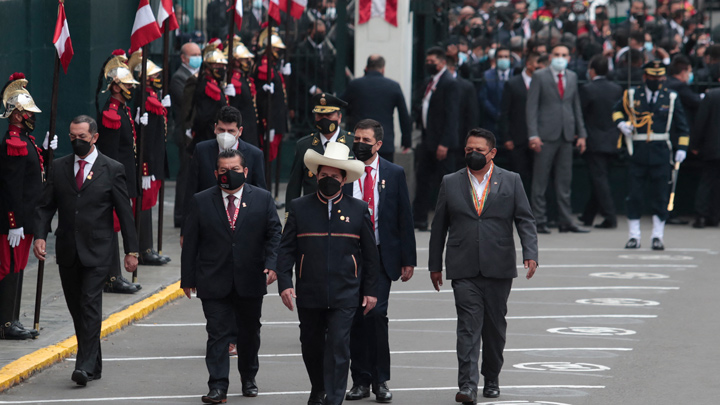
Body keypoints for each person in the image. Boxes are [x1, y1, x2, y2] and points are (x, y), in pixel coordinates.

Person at [428, 128, 538, 404]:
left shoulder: (511, 181)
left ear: (492, 153)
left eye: (478, 150)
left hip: (498, 266)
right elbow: (438, 227)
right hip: (462, 266)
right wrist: (434, 266)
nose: (472, 154)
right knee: (468, 326)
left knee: (494, 328)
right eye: (468, 150)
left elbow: (525, 219)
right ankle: (467, 385)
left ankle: (492, 376)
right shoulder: (450, 182)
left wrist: (530, 252)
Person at [33, 115, 139, 386]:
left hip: (99, 250)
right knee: (76, 309)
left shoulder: (112, 168)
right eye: (73, 137)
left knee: (90, 304)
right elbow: (46, 206)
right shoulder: (58, 167)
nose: (77, 141)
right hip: (68, 249)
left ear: (94, 137)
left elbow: (125, 213)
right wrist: (40, 236)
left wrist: (132, 251)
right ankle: (95, 364)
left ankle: (83, 366)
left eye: (82, 137)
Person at [277, 142, 380, 405]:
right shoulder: (299, 207)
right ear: (316, 176)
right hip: (309, 291)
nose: (329, 180)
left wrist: (370, 290)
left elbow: (370, 255)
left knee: (338, 345)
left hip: (346, 292)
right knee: (311, 344)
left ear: (344, 179)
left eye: (334, 176)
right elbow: (286, 249)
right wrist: (285, 283)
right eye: (324, 176)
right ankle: (319, 387)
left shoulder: (358, 209)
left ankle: (333, 398)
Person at [181, 148, 281, 404]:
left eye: (235, 170)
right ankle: (218, 387)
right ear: (216, 173)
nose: (229, 174)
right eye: (223, 170)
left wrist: (272, 264)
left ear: (246, 172)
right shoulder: (201, 200)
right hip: (213, 279)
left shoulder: (262, 198)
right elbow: (191, 242)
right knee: (217, 333)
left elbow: (274, 234)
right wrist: (187, 279)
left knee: (249, 333)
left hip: (250, 278)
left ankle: (248, 377)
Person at [343, 120, 416, 403]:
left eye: (365, 139)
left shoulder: (394, 173)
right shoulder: (345, 171)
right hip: (349, 257)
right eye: (356, 138)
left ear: (378, 145)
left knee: (375, 315)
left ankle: (380, 380)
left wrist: (408, 258)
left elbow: (403, 218)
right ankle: (359, 380)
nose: (359, 143)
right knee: (354, 318)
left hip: (381, 256)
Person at [0, 72, 55, 340]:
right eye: (28, 112)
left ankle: (13, 318)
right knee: (9, 268)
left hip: (24, 219)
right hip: (15, 222)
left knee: (18, 268)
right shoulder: (14, 142)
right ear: (17, 114)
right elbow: (11, 187)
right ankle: (6, 323)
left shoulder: (25, 141)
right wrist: (14, 223)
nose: (32, 116)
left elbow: (33, 172)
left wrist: (44, 149)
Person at [614, 60, 690, 250]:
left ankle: (657, 236)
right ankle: (634, 236)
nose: (656, 80)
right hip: (637, 151)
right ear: (645, 76)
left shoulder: (670, 97)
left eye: (660, 77)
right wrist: (622, 124)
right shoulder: (632, 95)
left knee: (660, 196)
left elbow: (683, 127)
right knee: (634, 196)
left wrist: (681, 148)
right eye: (653, 76)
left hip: (661, 152)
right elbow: (616, 111)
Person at [94, 50, 144, 293]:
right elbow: (111, 154)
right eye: (126, 85)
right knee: (114, 225)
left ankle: (115, 275)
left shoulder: (122, 110)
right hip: (116, 179)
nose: (130, 88)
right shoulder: (111, 114)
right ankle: (112, 276)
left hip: (126, 176)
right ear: (115, 87)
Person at [526, 43, 589, 234]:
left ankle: (565, 220)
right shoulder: (539, 76)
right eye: (557, 54)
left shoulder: (572, 76)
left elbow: (575, 106)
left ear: (569, 58)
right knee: (540, 181)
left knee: (564, 181)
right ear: (550, 56)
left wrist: (582, 134)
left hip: (567, 134)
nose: (560, 57)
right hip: (545, 135)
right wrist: (533, 134)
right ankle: (539, 220)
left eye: (564, 54)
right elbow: (531, 107)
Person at [184, 106, 265, 226]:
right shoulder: (202, 150)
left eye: (231, 131)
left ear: (240, 131)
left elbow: (260, 193)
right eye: (222, 130)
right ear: (215, 128)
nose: (225, 135)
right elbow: (191, 190)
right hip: (207, 221)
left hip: (243, 223)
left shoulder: (254, 154)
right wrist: (185, 230)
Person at [127, 50, 172, 266]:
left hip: (154, 161)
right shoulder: (141, 96)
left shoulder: (152, 96)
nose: (156, 78)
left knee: (148, 207)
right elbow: (140, 137)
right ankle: (143, 249)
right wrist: (144, 168)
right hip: (146, 164)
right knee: (142, 208)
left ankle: (148, 247)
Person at [412, 47, 459, 230]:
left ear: (442, 63)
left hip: (441, 143)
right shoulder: (429, 82)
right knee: (422, 179)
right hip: (427, 139)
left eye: (433, 62)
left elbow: (452, 115)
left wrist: (445, 143)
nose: (429, 65)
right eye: (428, 61)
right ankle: (419, 219)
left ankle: (449, 220)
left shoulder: (449, 83)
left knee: (446, 183)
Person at [285, 93, 355, 210]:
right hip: (312, 211)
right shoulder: (304, 145)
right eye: (320, 115)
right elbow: (294, 186)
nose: (324, 119)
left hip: (345, 211)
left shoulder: (352, 143)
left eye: (329, 115)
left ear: (339, 117)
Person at [578, 55, 623, 229]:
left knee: (599, 180)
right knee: (600, 180)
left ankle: (610, 216)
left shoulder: (587, 89)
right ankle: (588, 216)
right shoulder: (616, 89)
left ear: (592, 70)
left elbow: (581, 114)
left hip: (594, 140)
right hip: (612, 140)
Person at [341, 55, 413, 162]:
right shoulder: (393, 86)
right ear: (383, 68)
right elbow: (404, 116)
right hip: (384, 142)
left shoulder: (355, 85)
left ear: (366, 67)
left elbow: (342, 104)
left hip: (359, 143)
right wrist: (406, 141)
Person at [498, 51, 540, 195]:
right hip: (517, 139)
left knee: (537, 178)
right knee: (518, 178)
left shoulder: (543, 83)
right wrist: (507, 137)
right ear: (528, 65)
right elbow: (504, 113)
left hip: (537, 139)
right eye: (537, 65)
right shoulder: (512, 83)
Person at [171, 42, 202, 228]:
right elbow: (187, 102)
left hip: (194, 132)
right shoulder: (179, 78)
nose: (198, 57)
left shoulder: (194, 75)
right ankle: (180, 214)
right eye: (194, 54)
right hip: (185, 133)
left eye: (199, 53)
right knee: (185, 175)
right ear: (183, 58)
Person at [185, 38, 233, 154]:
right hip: (208, 137)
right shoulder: (209, 87)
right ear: (208, 69)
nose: (221, 69)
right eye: (217, 66)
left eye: (222, 66)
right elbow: (203, 116)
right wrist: (194, 131)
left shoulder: (215, 85)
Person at [690, 82, 720, 228]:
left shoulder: (711, 95)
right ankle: (714, 217)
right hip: (713, 146)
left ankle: (701, 216)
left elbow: (700, 121)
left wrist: (694, 144)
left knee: (707, 182)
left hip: (713, 146)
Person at [227, 37, 260, 148]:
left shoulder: (244, 78)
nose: (248, 62)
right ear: (236, 62)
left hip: (250, 129)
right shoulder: (235, 81)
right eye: (245, 60)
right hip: (243, 132)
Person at [478, 47, 513, 135]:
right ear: (495, 59)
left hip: (512, 122)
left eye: (506, 57)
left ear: (510, 59)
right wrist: (497, 114)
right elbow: (483, 99)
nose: (503, 59)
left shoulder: (515, 74)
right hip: (492, 123)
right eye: (500, 57)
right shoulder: (487, 75)